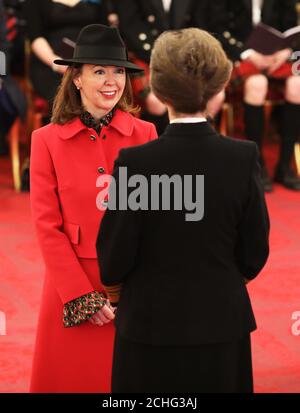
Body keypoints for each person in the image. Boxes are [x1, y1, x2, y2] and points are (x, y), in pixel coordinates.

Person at [96, 28, 270, 393]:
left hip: (147, 328)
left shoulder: (135, 163)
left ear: (157, 91)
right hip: (222, 325)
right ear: (218, 88)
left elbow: (112, 258)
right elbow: (255, 251)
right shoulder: (243, 158)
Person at [29, 24, 157, 393]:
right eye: (99, 71)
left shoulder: (146, 134)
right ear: (77, 79)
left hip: (130, 288)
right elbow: (46, 225)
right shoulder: (46, 140)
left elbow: (154, 218)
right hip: (70, 288)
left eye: (118, 71)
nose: (111, 81)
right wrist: (79, 296)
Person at [215, 0, 300, 191]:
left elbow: (291, 28)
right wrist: (247, 53)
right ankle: (257, 164)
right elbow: (216, 27)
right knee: (257, 85)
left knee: (298, 85)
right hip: (237, 55)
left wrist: (286, 52)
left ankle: (285, 166)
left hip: (275, 56)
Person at [114, 0, 225, 134]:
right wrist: (163, 59)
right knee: (156, 101)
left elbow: (201, 26)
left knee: (213, 97)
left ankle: (198, 150)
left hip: (187, 57)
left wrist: (184, 59)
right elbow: (130, 26)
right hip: (146, 56)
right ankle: (159, 150)